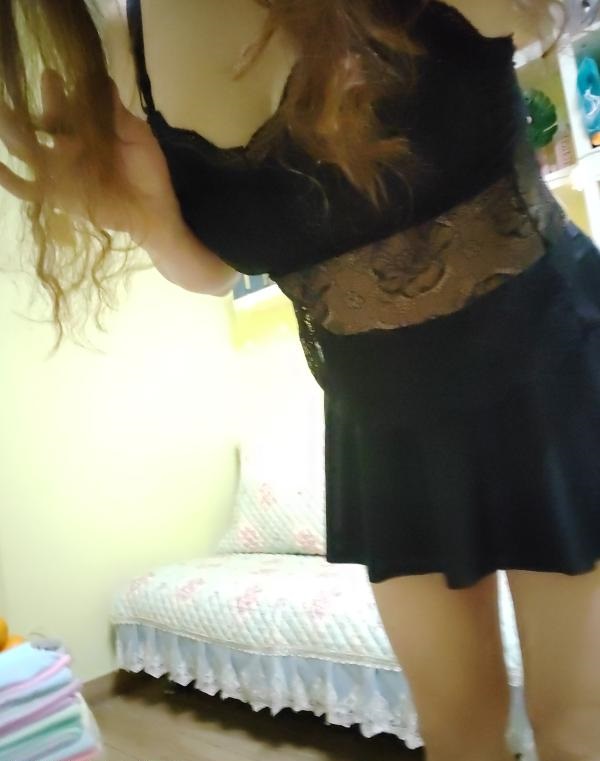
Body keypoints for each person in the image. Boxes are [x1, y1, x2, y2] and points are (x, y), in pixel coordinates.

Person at [0, 1, 599, 759]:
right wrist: (147, 221)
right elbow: (215, 269)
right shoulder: (130, 49)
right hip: (382, 431)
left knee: (577, 727)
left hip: (558, 373)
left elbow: (545, 19)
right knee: (456, 734)